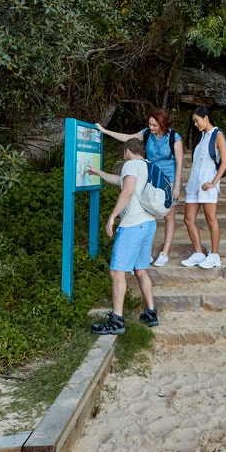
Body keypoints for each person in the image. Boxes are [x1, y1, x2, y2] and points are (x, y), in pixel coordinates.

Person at [87, 138, 159, 334]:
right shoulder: (147, 166)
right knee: (141, 270)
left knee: (117, 272)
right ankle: (151, 312)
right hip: (148, 223)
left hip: (133, 225)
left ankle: (117, 320)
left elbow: (127, 191)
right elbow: (119, 181)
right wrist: (98, 172)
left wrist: (112, 216)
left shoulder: (130, 165)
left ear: (128, 151)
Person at [95, 109, 183, 267]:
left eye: (154, 125)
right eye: (149, 124)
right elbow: (128, 138)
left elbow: (179, 162)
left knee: (168, 215)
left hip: (167, 180)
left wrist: (176, 186)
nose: (151, 127)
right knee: (147, 211)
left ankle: (164, 252)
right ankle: (146, 253)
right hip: (149, 179)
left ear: (163, 124)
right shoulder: (147, 133)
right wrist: (104, 131)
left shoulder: (174, 137)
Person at [181, 105, 226, 269]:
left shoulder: (218, 135)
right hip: (194, 185)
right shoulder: (201, 137)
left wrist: (214, 182)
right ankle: (198, 252)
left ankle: (214, 255)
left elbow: (224, 162)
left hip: (208, 186)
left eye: (197, 120)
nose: (195, 124)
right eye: (194, 121)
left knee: (211, 219)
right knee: (188, 219)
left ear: (205, 117)